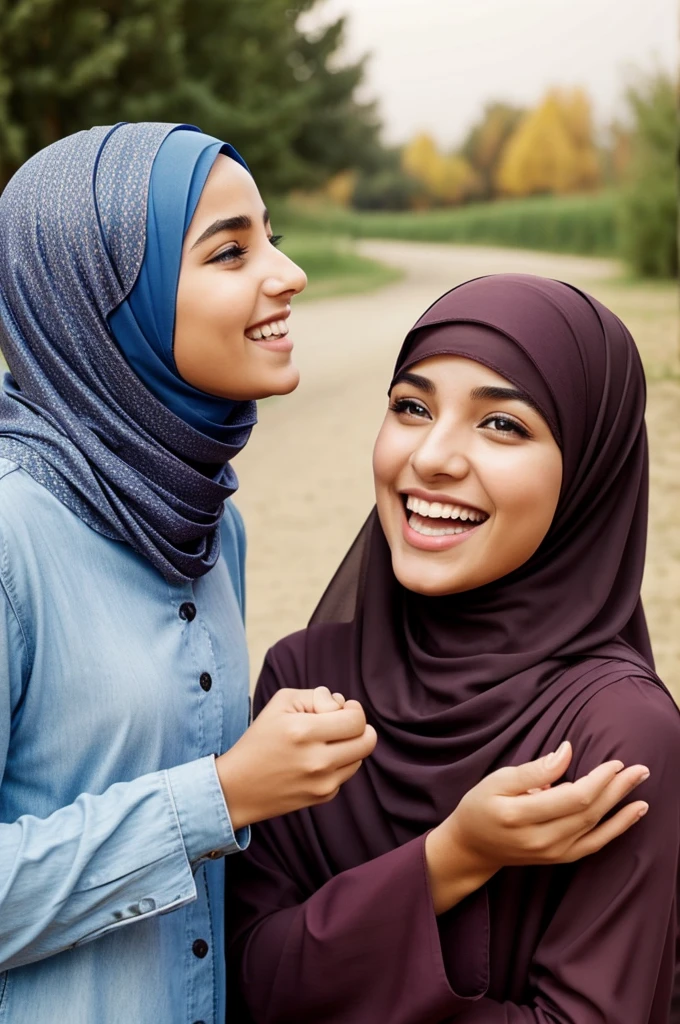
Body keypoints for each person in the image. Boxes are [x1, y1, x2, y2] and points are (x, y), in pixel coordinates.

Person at [0, 121, 379, 1024]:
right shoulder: (13, 534)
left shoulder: (212, 524)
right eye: (230, 251)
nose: (286, 274)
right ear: (104, 302)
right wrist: (223, 794)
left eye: (272, 237)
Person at [228, 274, 680, 1023]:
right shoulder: (306, 679)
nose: (433, 457)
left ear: (590, 475)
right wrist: (451, 858)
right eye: (411, 407)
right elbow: (241, 978)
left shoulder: (617, 736)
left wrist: (330, 958)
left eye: (502, 424)